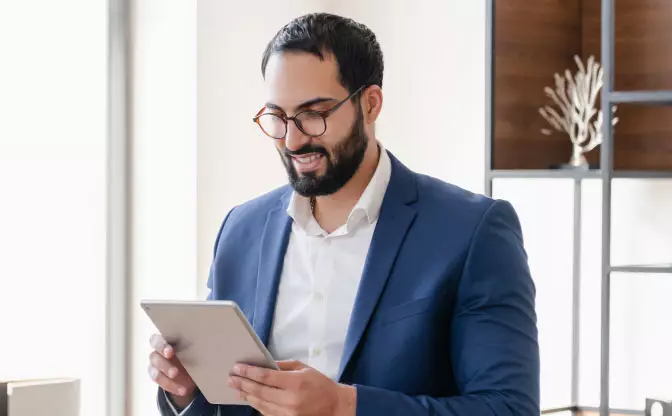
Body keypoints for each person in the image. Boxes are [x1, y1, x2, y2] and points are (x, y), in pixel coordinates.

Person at [149, 12, 539, 416]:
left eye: (314, 115)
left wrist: (345, 406)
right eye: (277, 118)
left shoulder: (472, 231)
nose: (293, 139)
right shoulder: (240, 230)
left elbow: (508, 408)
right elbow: (225, 403)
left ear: (370, 104)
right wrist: (186, 392)